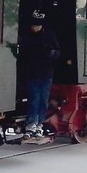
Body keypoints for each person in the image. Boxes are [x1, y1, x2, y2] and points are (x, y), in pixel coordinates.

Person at [18, 10, 60, 142]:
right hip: (33, 73)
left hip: (46, 74)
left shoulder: (49, 36)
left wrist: (51, 53)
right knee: (34, 99)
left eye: (37, 25)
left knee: (42, 100)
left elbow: (57, 52)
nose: (35, 27)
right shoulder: (27, 37)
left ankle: (39, 124)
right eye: (33, 25)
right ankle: (31, 124)